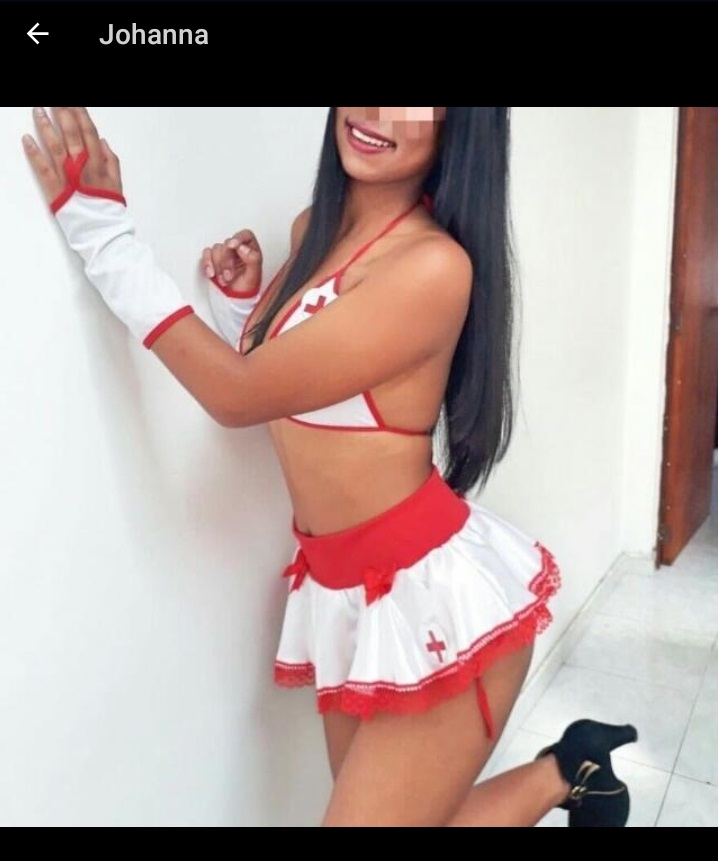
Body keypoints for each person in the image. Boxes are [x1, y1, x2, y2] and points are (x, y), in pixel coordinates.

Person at [23, 106, 638, 828]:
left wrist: (103, 235)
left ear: (459, 126)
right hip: (346, 596)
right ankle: (572, 769)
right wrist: (247, 310)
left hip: (432, 603)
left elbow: (239, 395)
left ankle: (565, 774)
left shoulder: (433, 266)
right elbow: (301, 385)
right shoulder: (315, 228)